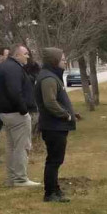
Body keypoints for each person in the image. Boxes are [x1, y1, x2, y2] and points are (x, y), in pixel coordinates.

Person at [34, 48, 80, 202]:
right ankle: (50, 193)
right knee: (54, 160)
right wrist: (65, 114)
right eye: (62, 59)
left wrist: (72, 113)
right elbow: (50, 102)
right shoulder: (48, 78)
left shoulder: (53, 76)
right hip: (53, 126)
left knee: (56, 159)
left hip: (56, 126)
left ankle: (55, 189)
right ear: (54, 61)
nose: (65, 61)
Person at [0, 44, 38, 187]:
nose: (28, 56)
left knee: (12, 146)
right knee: (21, 146)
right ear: (17, 55)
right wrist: (24, 110)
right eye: (25, 54)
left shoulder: (4, 66)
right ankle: (20, 179)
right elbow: (14, 91)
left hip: (5, 113)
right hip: (15, 113)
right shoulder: (13, 68)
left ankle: (12, 178)